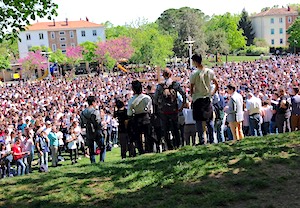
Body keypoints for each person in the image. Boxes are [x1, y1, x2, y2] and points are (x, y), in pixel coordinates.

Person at [190, 54, 219, 144]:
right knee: (209, 120)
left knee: (199, 121)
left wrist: (192, 95)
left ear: (195, 61)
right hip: (207, 98)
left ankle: (202, 140)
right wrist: (212, 93)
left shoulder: (194, 74)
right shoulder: (209, 71)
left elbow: (191, 87)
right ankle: (212, 139)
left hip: (198, 99)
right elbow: (217, 83)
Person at [154, 68, 186, 150]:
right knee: (175, 128)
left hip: (164, 111)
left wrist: (160, 106)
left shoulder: (160, 86)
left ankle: (169, 146)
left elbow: (155, 99)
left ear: (163, 75)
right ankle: (178, 144)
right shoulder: (175, 84)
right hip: (174, 110)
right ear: (171, 75)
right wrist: (182, 106)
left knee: (165, 130)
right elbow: (183, 94)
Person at [128, 80, 153, 154]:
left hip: (136, 118)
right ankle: (149, 150)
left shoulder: (131, 100)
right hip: (146, 117)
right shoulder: (147, 98)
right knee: (148, 135)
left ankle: (141, 150)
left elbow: (129, 113)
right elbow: (150, 109)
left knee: (138, 137)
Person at [80, 96, 106, 163]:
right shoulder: (95, 111)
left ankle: (93, 161)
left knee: (91, 148)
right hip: (97, 131)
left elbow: (81, 123)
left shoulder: (83, 112)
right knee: (102, 146)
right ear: (93, 102)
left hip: (88, 130)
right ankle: (101, 160)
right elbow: (98, 122)